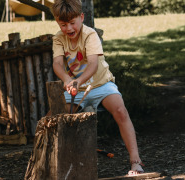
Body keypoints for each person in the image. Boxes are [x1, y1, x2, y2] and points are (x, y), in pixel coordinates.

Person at [50, 0, 144, 175]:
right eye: (63, 24)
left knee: (121, 111)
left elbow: (92, 64)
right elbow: (57, 63)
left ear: (82, 17)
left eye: (72, 23)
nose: (69, 28)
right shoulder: (58, 38)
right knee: (53, 119)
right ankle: (56, 164)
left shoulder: (90, 35)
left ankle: (135, 161)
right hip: (76, 86)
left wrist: (78, 81)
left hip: (100, 83)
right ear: (57, 22)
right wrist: (66, 79)